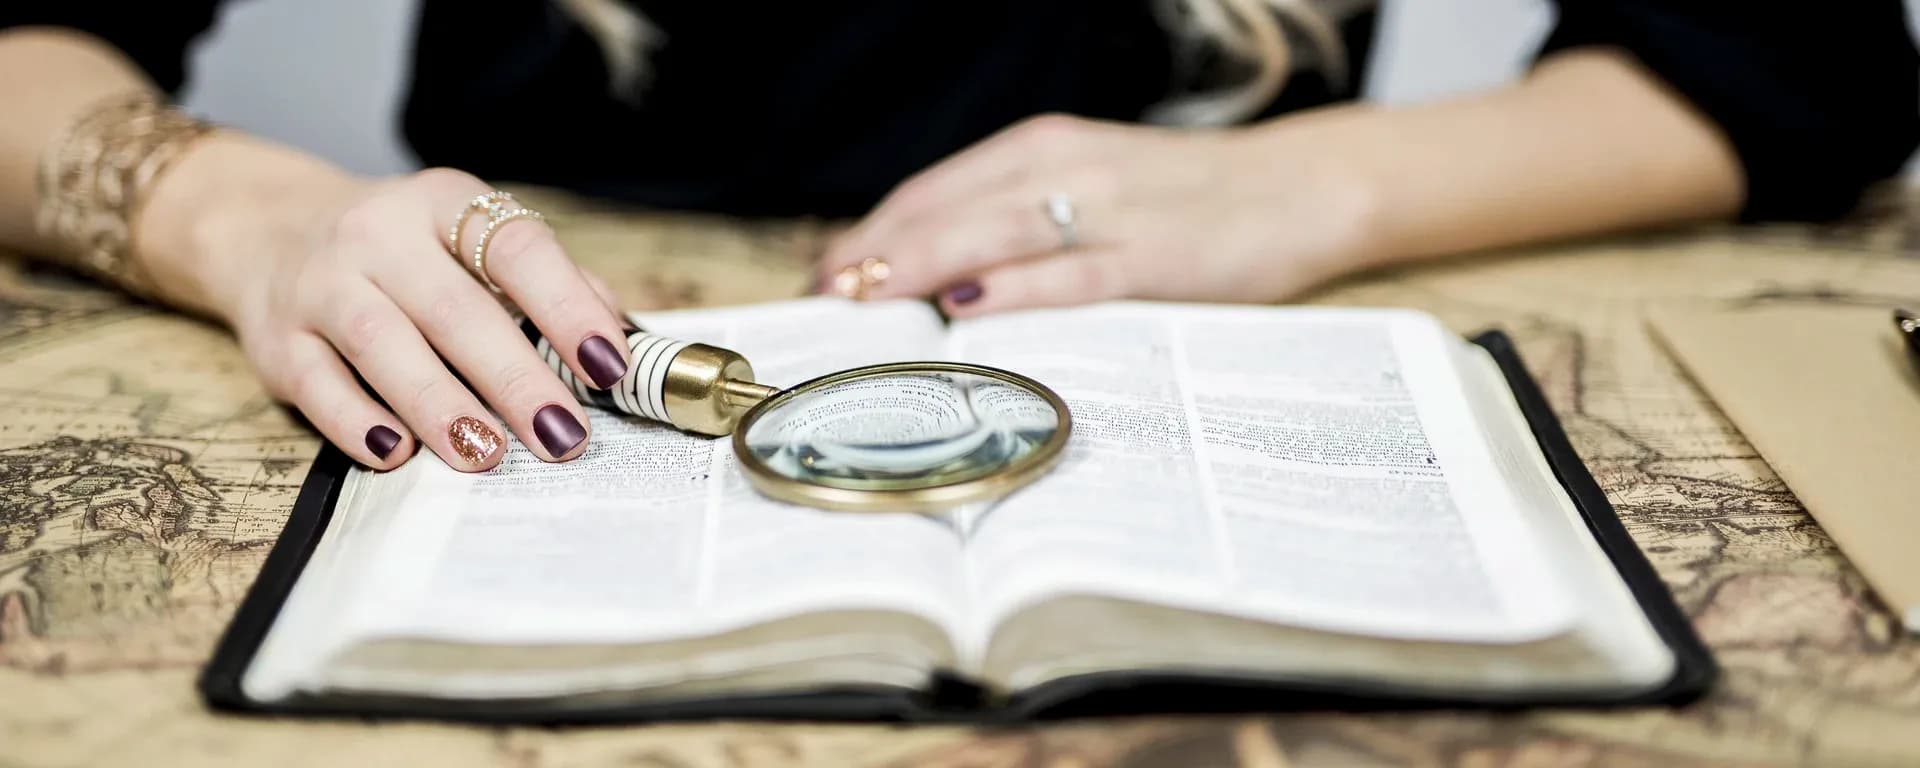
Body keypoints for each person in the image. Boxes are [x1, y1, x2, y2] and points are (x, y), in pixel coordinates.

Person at [1, 2, 1914, 475]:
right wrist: (251, 219)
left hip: (1195, 325)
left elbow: (1797, 61)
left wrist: (1313, 182)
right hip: (542, 312)